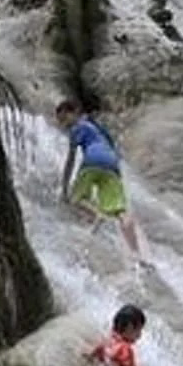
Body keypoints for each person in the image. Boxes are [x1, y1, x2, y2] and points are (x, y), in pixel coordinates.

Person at [56, 100, 145, 261]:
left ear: (75, 113)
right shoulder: (98, 128)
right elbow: (112, 149)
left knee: (76, 199)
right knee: (120, 211)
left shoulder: (78, 127)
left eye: (64, 119)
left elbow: (70, 160)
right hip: (112, 165)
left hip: (92, 161)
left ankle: (97, 215)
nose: (64, 124)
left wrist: (64, 187)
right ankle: (136, 253)